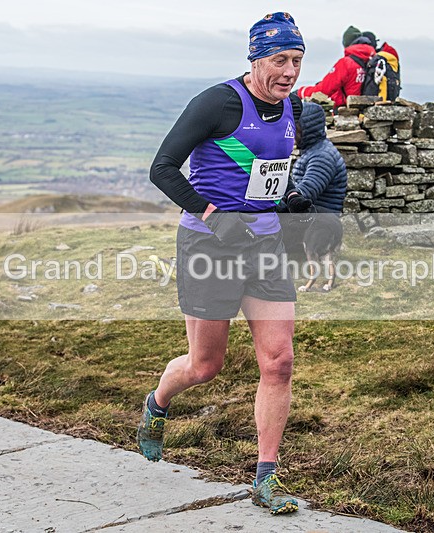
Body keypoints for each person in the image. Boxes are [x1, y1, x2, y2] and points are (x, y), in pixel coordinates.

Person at [140, 11, 312, 516]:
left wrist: (286, 202)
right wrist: (215, 217)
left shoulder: (292, 108)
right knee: (205, 366)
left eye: (297, 61)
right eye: (280, 60)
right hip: (209, 247)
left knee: (278, 362)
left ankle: (266, 477)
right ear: (256, 57)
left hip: (264, 246)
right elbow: (162, 168)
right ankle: (157, 404)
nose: (289, 71)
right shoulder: (218, 102)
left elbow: (262, 177)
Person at [296, 25, 376, 108]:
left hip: (347, 111)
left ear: (346, 44)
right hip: (367, 110)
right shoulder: (372, 58)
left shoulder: (346, 63)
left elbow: (323, 90)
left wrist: (301, 92)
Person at [292, 102, 347, 213]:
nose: (291, 133)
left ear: (307, 129)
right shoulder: (314, 150)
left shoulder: (322, 157)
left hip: (319, 223)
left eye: (295, 129)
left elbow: (305, 194)